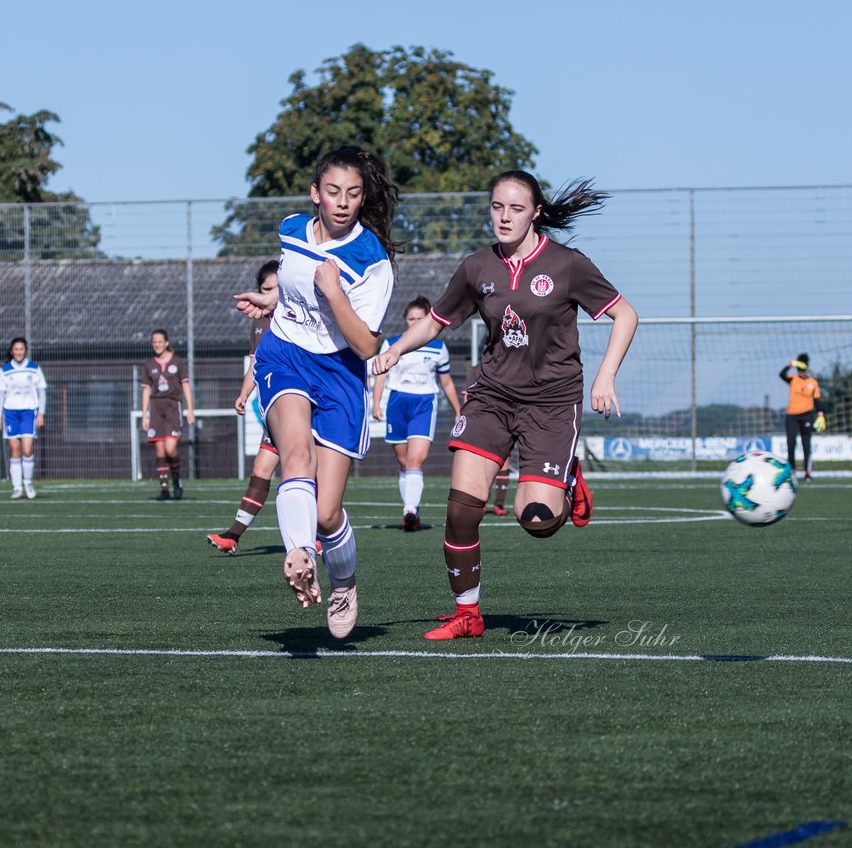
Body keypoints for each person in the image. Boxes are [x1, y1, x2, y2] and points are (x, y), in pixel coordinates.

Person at [373, 170, 638, 641]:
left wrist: (605, 376)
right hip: (492, 396)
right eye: (497, 207)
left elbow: (625, 314)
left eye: (516, 208)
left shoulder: (567, 264)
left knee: (535, 522)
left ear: (536, 212)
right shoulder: (478, 267)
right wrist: (396, 349)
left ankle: (567, 477)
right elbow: (435, 321)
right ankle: (468, 614)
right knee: (460, 510)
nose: (504, 216)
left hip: (552, 403)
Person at [235, 145, 400, 639]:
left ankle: (343, 581)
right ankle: (299, 554)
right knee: (295, 453)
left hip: (341, 371)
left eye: (353, 193)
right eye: (333, 192)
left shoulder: (373, 262)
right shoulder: (290, 229)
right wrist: (272, 299)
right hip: (284, 354)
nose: (343, 202)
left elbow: (368, 344)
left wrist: (333, 292)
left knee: (328, 513)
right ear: (315, 194)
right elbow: (291, 285)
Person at [207, 261, 281, 553]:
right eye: (266, 289)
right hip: (274, 410)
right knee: (261, 468)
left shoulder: (299, 317)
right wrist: (244, 392)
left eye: (277, 288)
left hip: (303, 409)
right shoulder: (259, 322)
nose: (271, 294)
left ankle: (319, 537)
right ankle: (233, 535)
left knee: (304, 473)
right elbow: (256, 361)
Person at [371, 296, 461, 532]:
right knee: (403, 461)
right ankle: (411, 508)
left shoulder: (439, 348)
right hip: (398, 402)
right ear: (405, 320)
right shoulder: (392, 343)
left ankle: (409, 510)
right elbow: (381, 374)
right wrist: (376, 403)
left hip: (424, 403)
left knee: (416, 459)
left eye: (420, 319)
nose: (415, 322)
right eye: (411, 319)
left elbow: (447, 383)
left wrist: (458, 411)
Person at [140, 329, 195, 500]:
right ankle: (164, 489)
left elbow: (185, 385)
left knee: (171, 449)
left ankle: (177, 480)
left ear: (167, 342)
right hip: (156, 408)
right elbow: (146, 390)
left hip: (172, 407)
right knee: (160, 450)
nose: (156, 344)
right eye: (154, 342)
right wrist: (144, 415)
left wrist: (190, 410)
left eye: (159, 341)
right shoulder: (149, 365)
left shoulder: (177, 362)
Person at [0, 337, 47, 499]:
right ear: (12, 351)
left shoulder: (34, 369)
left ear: (26, 350)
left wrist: (41, 413)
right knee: (14, 450)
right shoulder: (4, 370)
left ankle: (28, 483)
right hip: (10, 414)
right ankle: (17, 488)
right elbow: (0, 395)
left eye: (21, 349)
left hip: (28, 413)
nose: (19, 352)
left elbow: (42, 392)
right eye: (16, 349)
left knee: (27, 449)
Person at [779, 353, 825, 481]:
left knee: (806, 445)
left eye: (803, 369)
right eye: (799, 369)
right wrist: (791, 364)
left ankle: (807, 472)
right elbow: (781, 375)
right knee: (791, 443)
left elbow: (817, 401)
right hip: (792, 416)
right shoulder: (793, 379)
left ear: (807, 369)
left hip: (807, 416)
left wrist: (821, 415)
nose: (801, 372)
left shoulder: (813, 383)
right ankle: (792, 470)